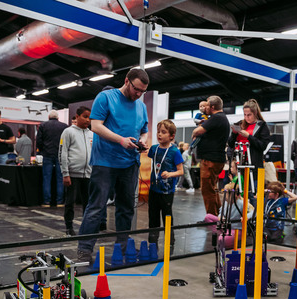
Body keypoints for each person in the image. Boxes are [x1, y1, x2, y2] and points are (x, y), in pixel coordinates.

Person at [77, 68, 149, 263]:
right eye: (136, 89)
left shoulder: (140, 106)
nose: (138, 94)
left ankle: (123, 247)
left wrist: (143, 141)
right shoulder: (106, 97)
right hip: (105, 163)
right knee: (96, 207)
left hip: (129, 164)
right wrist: (120, 140)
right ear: (126, 81)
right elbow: (96, 125)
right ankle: (84, 249)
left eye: (142, 91)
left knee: (126, 207)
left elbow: (144, 130)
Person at [147, 119, 184, 247]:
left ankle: (170, 241)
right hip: (153, 189)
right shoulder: (153, 149)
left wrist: (170, 174)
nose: (159, 135)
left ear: (172, 136)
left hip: (167, 191)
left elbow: (180, 171)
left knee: (167, 216)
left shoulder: (175, 151)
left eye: (163, 132)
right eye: (158, 132)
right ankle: (152, 241)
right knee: (153, 216)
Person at [192, 95, 230, 215]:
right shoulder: (220, 118)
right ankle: (217, 214)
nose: (205, 108)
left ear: (212, 107)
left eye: (207, 105)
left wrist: (196, 132)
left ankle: (211, 216)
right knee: (212, 189)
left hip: (210, 160)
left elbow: (197, 131)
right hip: (215, 159)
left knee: (207, 190)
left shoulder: (216, 118)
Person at [59, 106, 93, 237]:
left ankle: (86, 227)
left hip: (88, 174)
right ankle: (69, 227)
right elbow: (62, 152)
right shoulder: (68, 132)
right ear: (77, 116)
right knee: (70, 202)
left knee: (88, 203)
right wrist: (65, 173)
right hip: (72, 174)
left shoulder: (92, 134)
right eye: (85, 116)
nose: (88, 120)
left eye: (90, 117)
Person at [227, 99, 271, 192]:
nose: (246, 117)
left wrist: (249, 137)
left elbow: (262, 146)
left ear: (255, 113)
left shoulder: (261, 126)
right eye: (244, 114)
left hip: (253, 166)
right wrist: (234, 134)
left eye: (249, 115)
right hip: (238, 165)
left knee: (252, 193)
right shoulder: (240, 123)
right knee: (238, 193)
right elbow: (230, 144)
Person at [203, 182, 254, 249]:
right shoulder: (226, 203)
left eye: (225, 192)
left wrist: (246, 216)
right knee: (208, 217)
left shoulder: (242, 203)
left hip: (236, 229)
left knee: (221, 239)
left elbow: (253, 212)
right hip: (226, 226)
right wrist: (221, 216)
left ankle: (227, 240)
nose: (223, 193)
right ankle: (222, 233)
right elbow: (220, 212)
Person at [37, 110, 68, 207]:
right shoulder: (64, 126)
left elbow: (39, 140)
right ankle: (59, 201)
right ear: (58, 117)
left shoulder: (43, 125)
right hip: (60, 154)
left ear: (49, 117)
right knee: (60, 178)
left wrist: (41, 151)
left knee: (47, 178)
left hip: (47, 154)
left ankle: (47, 201)